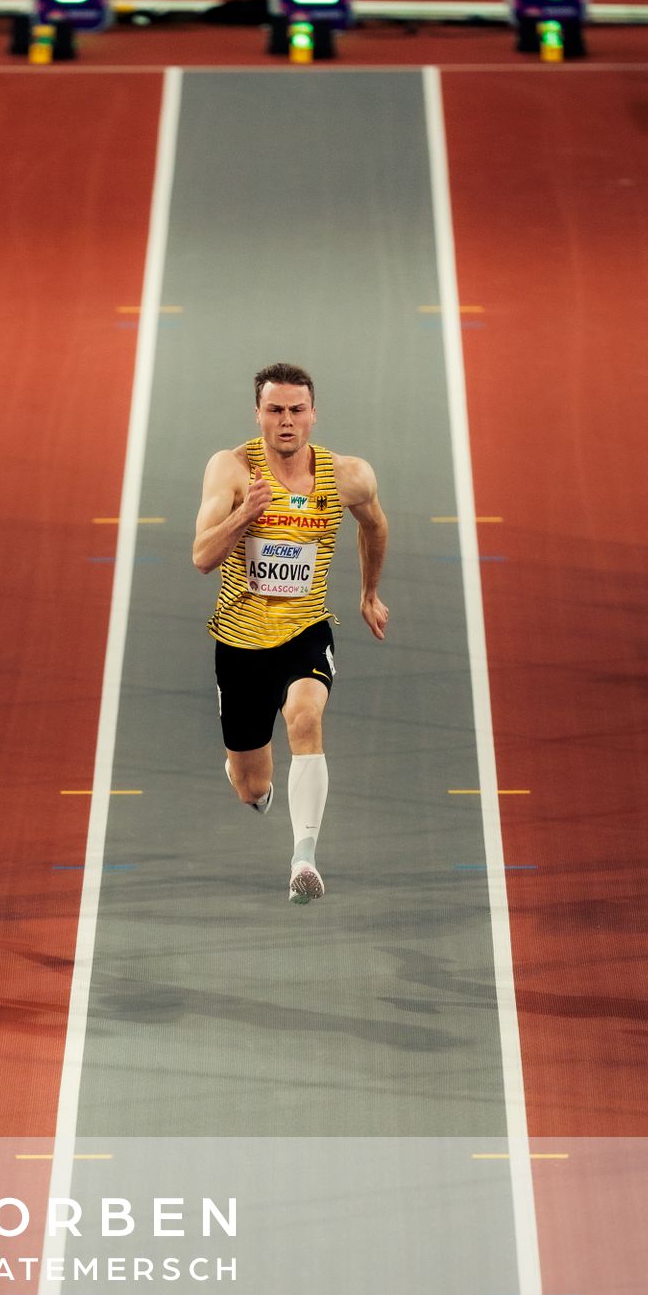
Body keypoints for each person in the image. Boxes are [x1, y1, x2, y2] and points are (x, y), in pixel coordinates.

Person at [192, 362, 388, 904]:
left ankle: (304, 858)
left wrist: (369, 592)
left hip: (306, 628)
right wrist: (244, 516)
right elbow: (201, 557)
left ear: (312, 415)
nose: (285, 421)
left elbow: (375, 525)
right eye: (275, 410)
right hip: (240, 639)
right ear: (258, 414)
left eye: (296, 410)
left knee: (305, 716)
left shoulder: (348, 476)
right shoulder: (231, 471)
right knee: (250, 787)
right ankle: (250, 777)